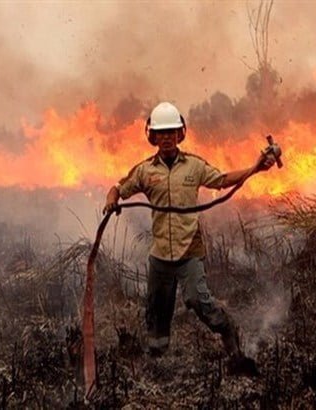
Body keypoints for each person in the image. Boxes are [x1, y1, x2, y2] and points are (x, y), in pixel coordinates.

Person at [103, 102, 276, 372]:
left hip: (189, 251)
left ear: (181, 134)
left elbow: (222, 179)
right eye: (162, 133)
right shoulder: (145, 171)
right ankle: (158, 361)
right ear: (153, 137)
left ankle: (229, 337)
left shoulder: (194, 166)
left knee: (198, 301)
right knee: (157, 313)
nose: (167, 137)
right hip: (160, 254)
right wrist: (111, 200)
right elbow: (118, 187)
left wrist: (255, 168)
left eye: (172, 132)